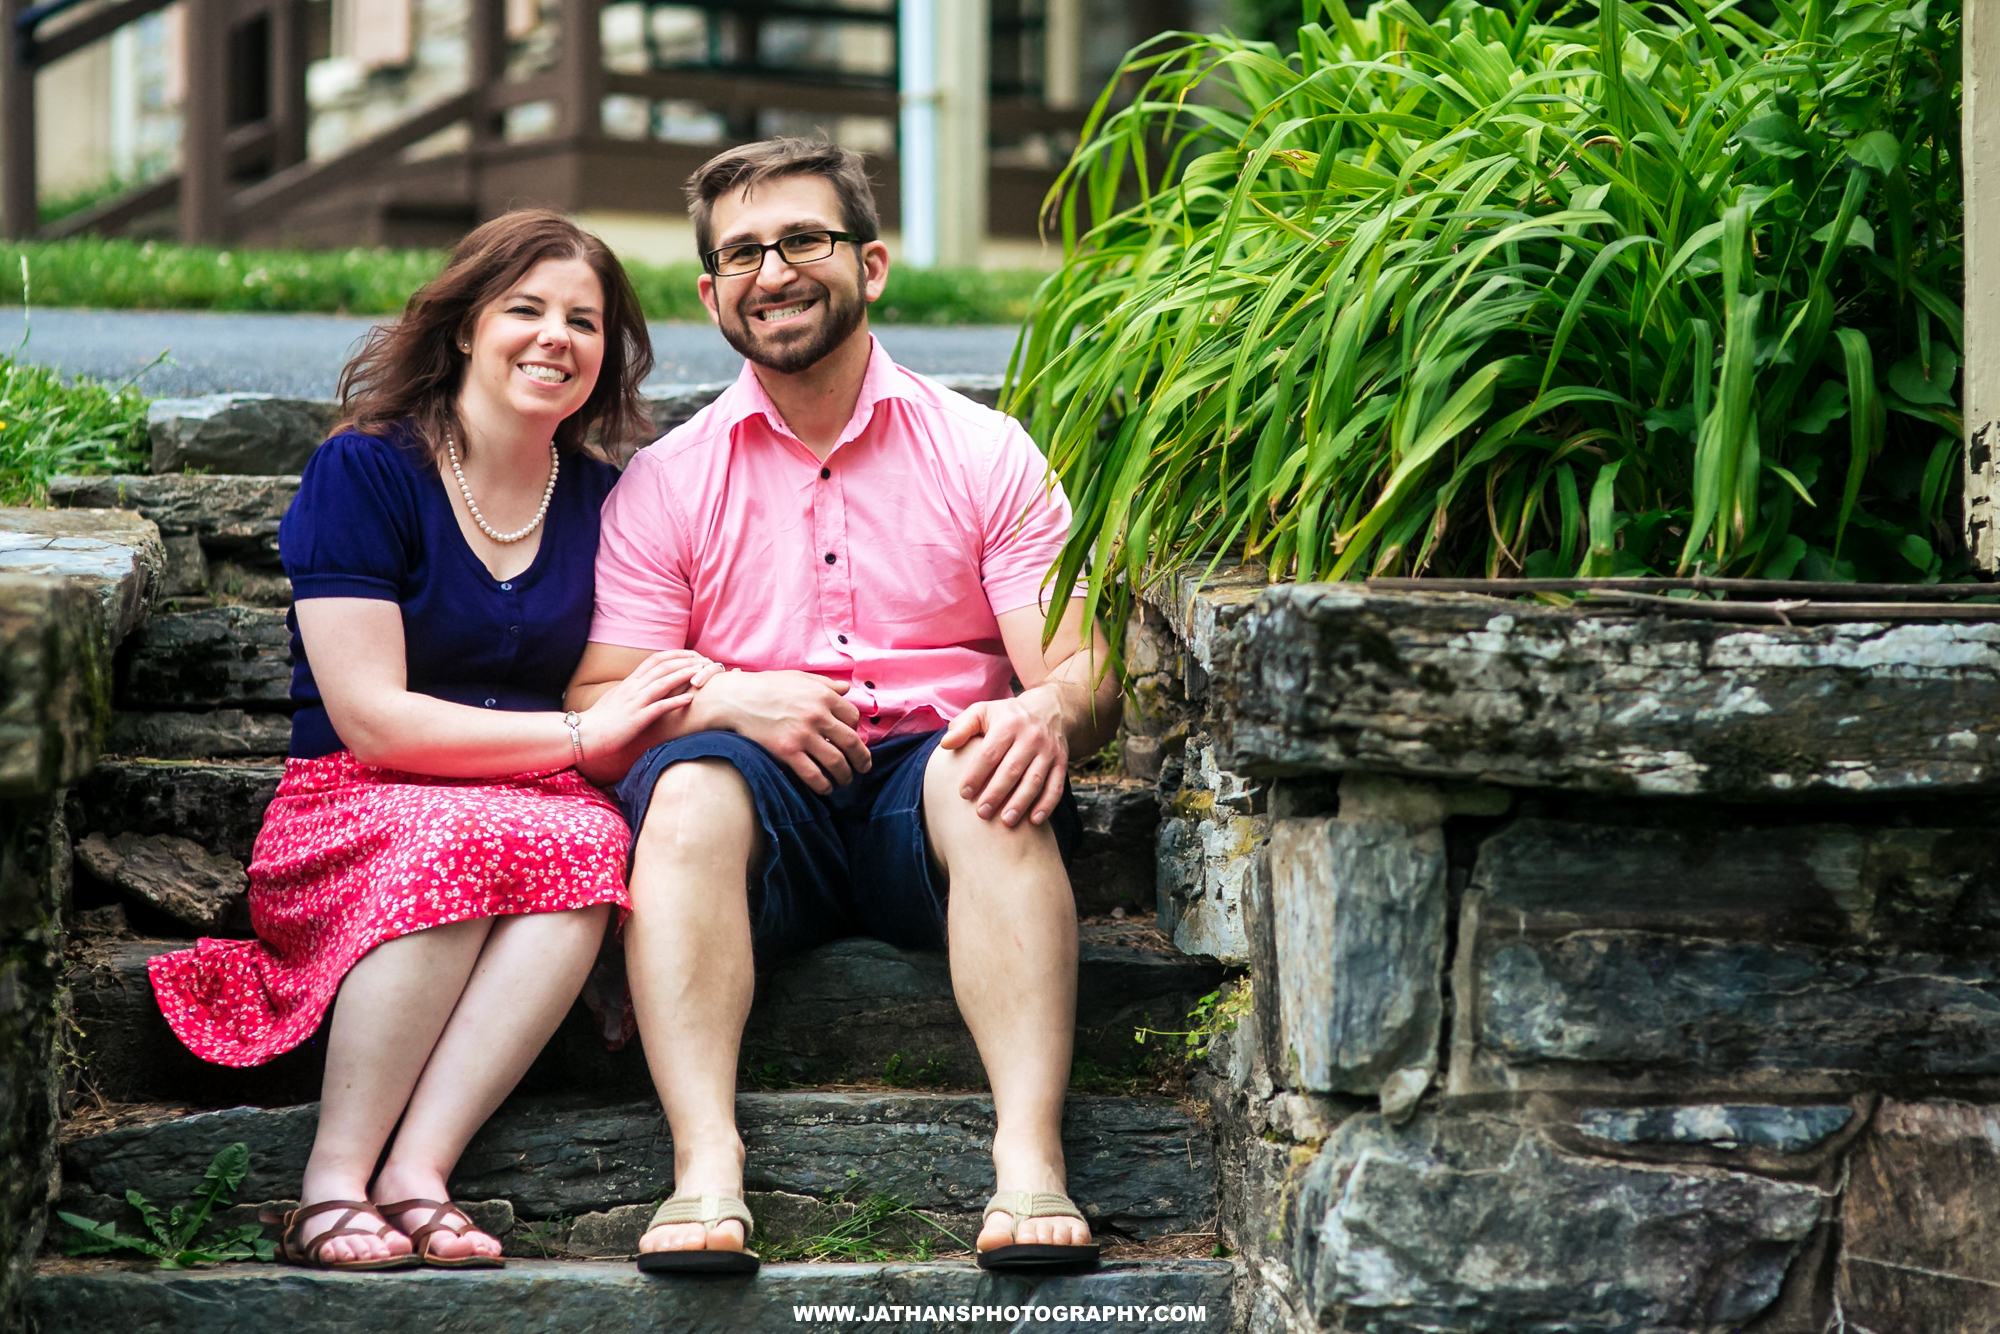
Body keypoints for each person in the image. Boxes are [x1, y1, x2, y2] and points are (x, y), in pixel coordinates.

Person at [567, 138, 1121, 1276]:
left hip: (925, 793)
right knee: (685, 792)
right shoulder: (665, 481)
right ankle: (704, 1164)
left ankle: (1028, 1158)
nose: (773, 271)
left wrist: (1045, 715)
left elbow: (1083, 674)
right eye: (741, 252)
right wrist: (726, 694)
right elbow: (593, 696)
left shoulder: (983, 452)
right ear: (710, 292)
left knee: (988, 770)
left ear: (869, 263)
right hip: (757, 814)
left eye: (803, 240)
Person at [148, 210, 716, 1272]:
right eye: (527, 309)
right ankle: (330, 1179)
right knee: (464, 840)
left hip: (531, 803)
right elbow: (371, 715)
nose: (556, 337)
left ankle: (416, 1170)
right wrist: (581, 732)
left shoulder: (605, 496)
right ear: (465, 326)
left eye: (584, 320)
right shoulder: (366, 470)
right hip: (350, 796)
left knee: (591, 851)